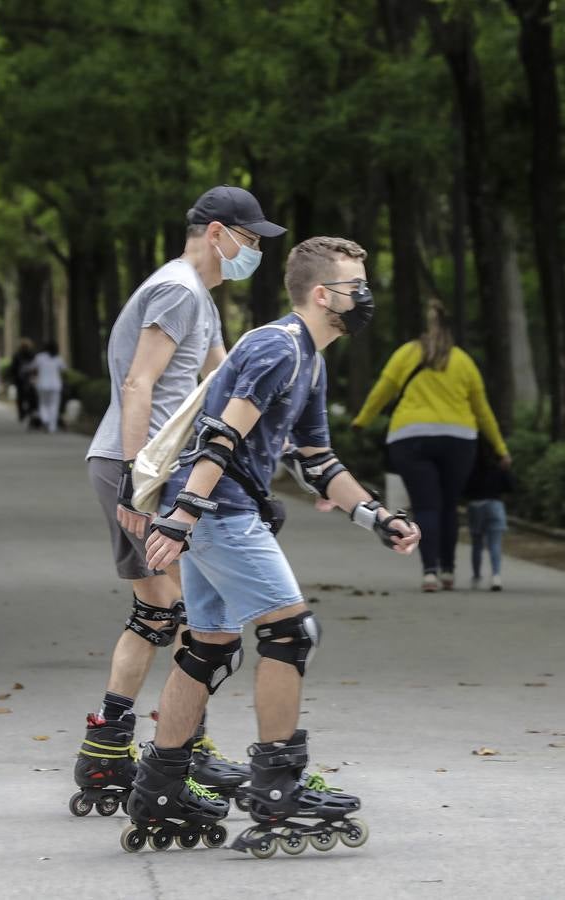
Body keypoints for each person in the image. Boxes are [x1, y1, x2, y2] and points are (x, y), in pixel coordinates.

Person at [121, 236, 420, 857]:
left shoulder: (311, 358)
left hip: (215, 511)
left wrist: (373, 515)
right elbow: (222, 432)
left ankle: (160, 786)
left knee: (209, 645)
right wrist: (182, 516)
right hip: (219, 511)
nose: (364, 298)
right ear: (321, 294)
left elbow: (317, 459)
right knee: (291, 633)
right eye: (355, 287)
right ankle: (278, 784)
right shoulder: (276, 347)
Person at [71, 185, 284, 819]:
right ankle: (179, 749)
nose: (252, 250)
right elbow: (140, 380)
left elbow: (223, 384)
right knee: (195, 617)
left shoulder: (201, 299)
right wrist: (142, 484)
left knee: (160, 615)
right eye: (248, 238)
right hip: (140, 466)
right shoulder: (177, 291)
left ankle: (109, 749)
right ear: (217, 232)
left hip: (151, 467)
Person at [351, 300, 510, 592]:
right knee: (449, 506)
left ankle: (430, 573)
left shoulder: (406, 354)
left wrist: (361, 420)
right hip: (459, 440)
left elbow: (382, 391)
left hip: (410, 438)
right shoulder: (463, 361)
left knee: (426, 506)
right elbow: (482, 410)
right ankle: (449, 572)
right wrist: (500, 449)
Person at [464, 436, 513, 591]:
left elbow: (463, 490)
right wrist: (506, 468)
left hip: (475, 505)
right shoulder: (498, 468)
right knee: (495, 543)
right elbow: (511, 486)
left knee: (477, 543)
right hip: (495, 505)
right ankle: (496, 577)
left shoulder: (469, 467)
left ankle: (477, 575)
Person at [27, 340, 66, 433]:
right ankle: (52, 427)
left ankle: (46, 420)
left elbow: (31, 367)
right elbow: (64, 369)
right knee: (54, 405)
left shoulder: (39, 357)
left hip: (42, 385)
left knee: (43, 404)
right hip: (55, 385)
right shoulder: (58, 358)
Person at [8, 338, 38, 427]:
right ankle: (29, 412)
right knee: (30, 396)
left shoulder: (17, 355)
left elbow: (13, 368)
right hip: (29, 379)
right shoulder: (33, 354)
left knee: (21, 397)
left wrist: (13, 378)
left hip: (20, 379)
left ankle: (22, 414)